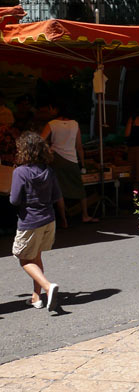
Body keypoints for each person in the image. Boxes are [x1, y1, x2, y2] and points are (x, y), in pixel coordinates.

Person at [9, 132, 62, 311]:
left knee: (24, 259)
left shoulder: (20, 172)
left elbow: (14, 200)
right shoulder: (49, 171)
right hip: (48, 219)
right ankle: (36, 297)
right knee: (36, 256)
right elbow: (56, 196)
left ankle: (48, 287)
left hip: (30, 221)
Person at [41, 100, 96, 224]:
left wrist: (48, 149)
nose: (50, 111)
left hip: (56, 158)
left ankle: (64, 219)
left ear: (57, 110)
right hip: (71, 159)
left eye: (51, 108)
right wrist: (82, 163)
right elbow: (79, 146)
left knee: (59, 190)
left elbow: (40, 140)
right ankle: (85, 215)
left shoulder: (51, 124)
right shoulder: (75, 124)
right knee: (80, 189)